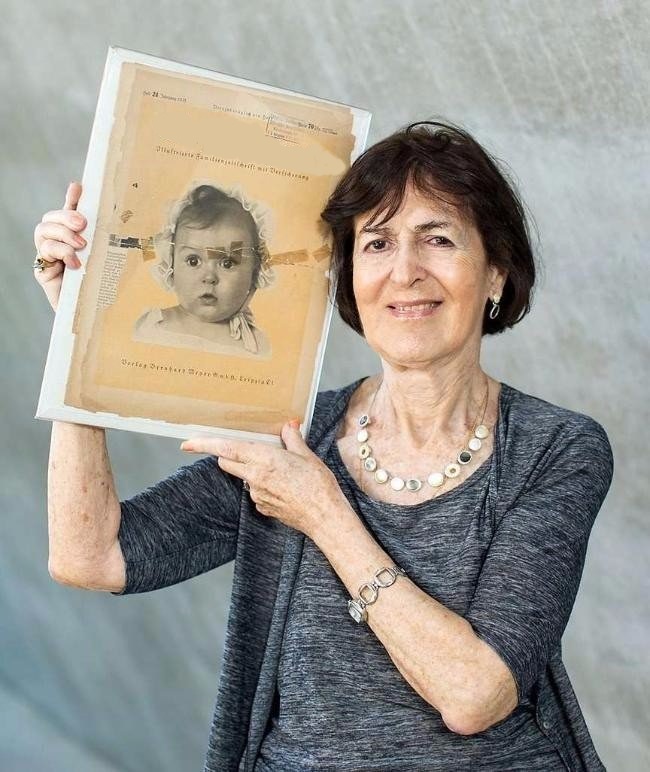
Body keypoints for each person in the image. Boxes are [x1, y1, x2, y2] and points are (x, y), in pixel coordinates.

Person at [34, 121, 614, 771]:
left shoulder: (556, 449)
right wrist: (75, 340)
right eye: (377, 243)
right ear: (349, 277)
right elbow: (90, 557)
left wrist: (323, 511)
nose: (405, 272)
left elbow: (475, 694)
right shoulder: (291, 435)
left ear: (496, 274)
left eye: (438, 239)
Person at [134, 183, 274, 356]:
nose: (209, 277)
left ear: (254, 272)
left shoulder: (257, 343)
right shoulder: (152, 326)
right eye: (193, 261)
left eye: (227, 263)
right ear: (170, 264)